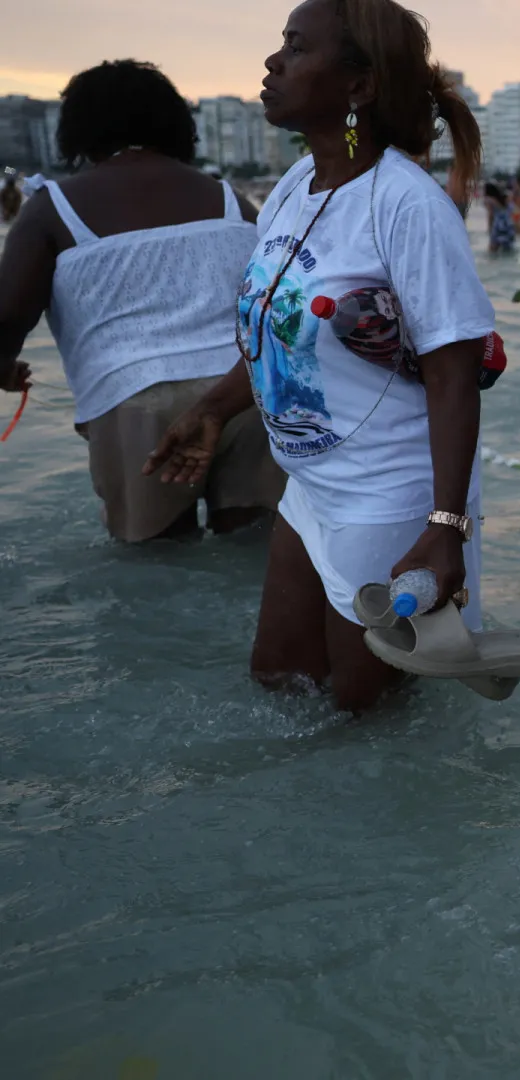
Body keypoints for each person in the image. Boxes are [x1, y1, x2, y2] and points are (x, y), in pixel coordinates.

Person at [145, 0, 492, 711]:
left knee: (366, 718)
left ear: (358, 87)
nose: (273, 63)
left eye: (296, 49)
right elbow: (278, 335)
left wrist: (445, 529)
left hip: (389, 496)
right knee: (278, 681)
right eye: (281, 45)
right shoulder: (291, 193)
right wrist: (211, 409)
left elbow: (456, 378)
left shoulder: (407, 205)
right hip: (310, 487)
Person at [0, 59, 283, 544]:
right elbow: (274, 300)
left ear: (78, 127)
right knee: (253, 553)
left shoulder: (53, 208)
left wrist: (4, 367)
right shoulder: (230, 198)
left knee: (154, 567)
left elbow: (7, 316)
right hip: (246, 393)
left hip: (138, 401)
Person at [482, 181, 513, 254]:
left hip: (498, 223)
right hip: (507, 222)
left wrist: (489, 228)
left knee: (492, 250)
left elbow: (490, 214)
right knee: (507, 248)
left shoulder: (488, 200)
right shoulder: (501, 198)